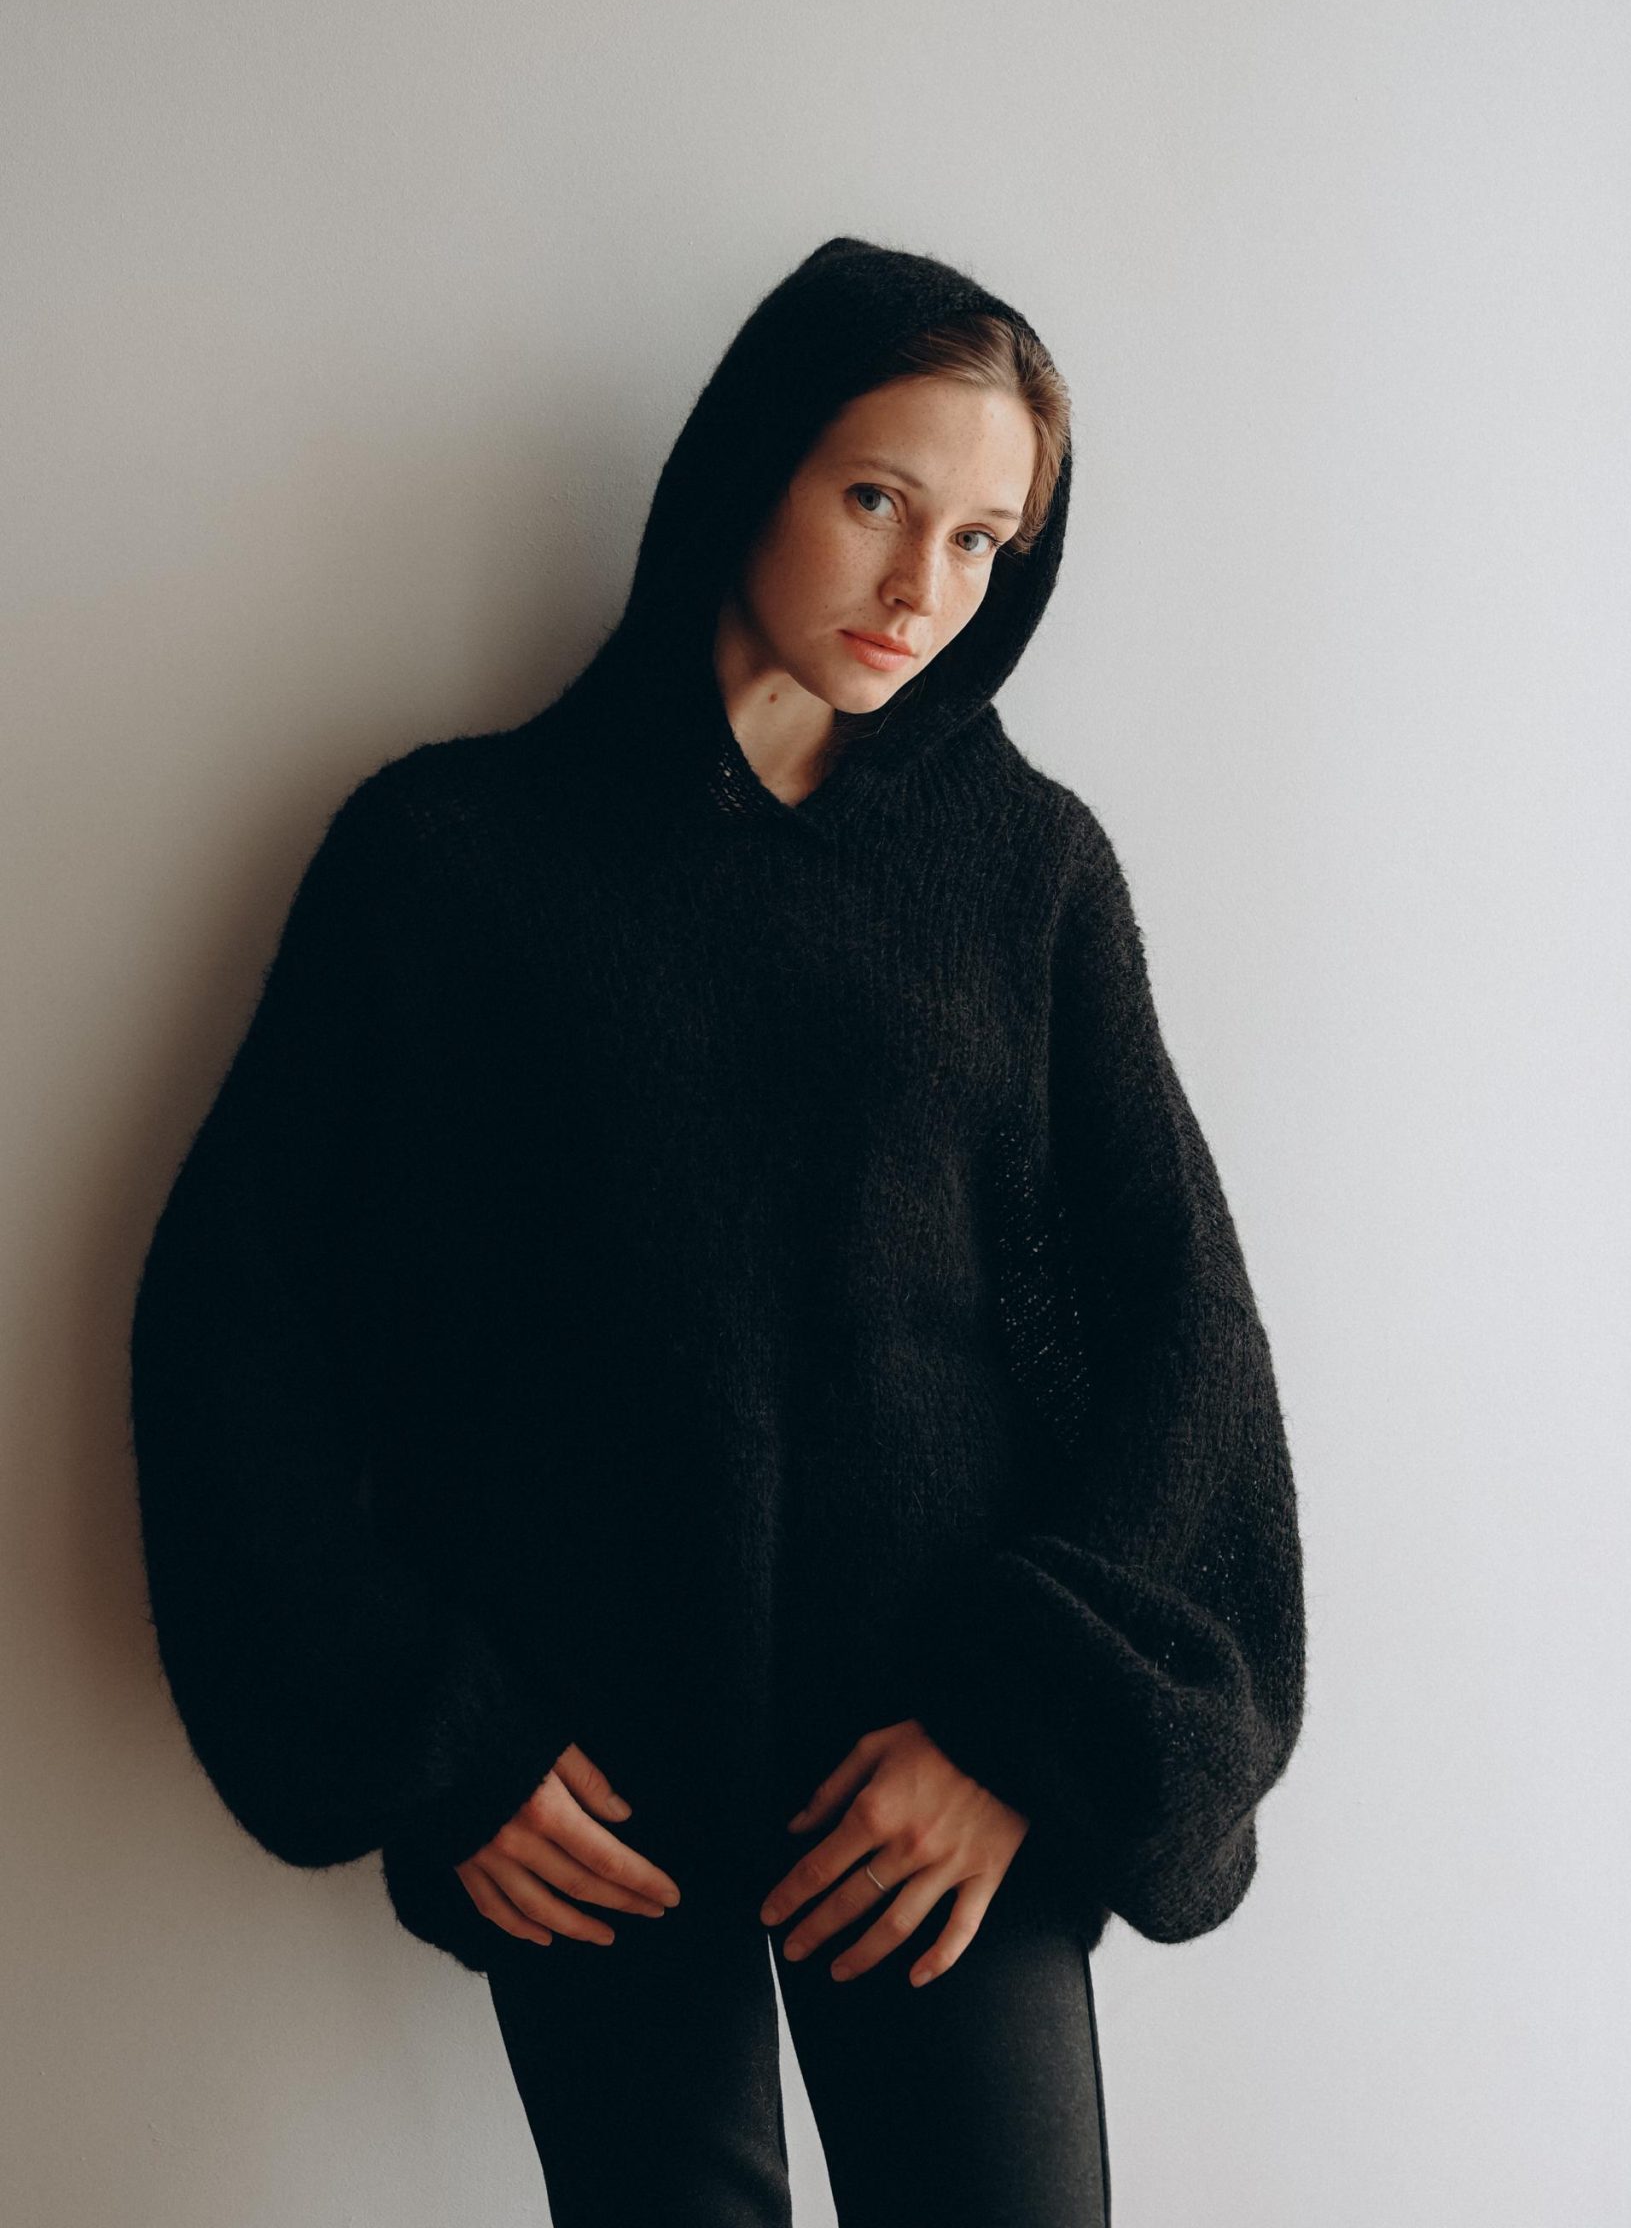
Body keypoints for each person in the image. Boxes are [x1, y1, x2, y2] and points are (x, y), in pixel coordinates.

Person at [128, 234, 1308, 2225]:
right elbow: (235, 1326)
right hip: (589, 1791)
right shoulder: (449, 859)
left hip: (935, 1767)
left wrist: (1021, 1727)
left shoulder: (1025, 875)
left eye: (982, 539)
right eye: (877, 499)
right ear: (747, 467)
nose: (920, 588)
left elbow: (1176, 1340)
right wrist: (439, 1738)